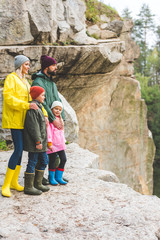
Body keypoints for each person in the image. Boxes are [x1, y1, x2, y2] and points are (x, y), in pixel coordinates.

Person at [1, 55, 38, 198]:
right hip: (15, 120)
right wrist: (26, 105)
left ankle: (14, 182)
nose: (28, 67)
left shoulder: (24, 80)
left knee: (21, 151)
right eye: (27, 64)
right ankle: (5, 185)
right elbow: (9, 98)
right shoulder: (11, 78)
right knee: (17, 150)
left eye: (29, 64)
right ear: (20, 65)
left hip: (24, 121)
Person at [31, 55, 66, 184]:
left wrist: (61, 118)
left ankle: (56, 175)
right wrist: (52, 119)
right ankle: (39, 177)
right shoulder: (38, 82)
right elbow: (42, 103)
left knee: (56, 149)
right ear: (47, 67)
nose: (56, 68)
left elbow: (58, 101)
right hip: (44, 120)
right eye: (53, 65)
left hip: (55, 121)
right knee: (44, 150)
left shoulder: (51, 82)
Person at [23, 86, 50, 195]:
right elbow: (33, 127)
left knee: (44, 161)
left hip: (41, 143)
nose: (44, 97)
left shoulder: (39, 107)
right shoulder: (33, 109)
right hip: (36, 143)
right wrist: (38, 142)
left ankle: (37, 183)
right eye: (42, 95)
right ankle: (28, 187)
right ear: (36, 96)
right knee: (32, 162)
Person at [47, 101, 67, 185]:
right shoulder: (51, 121)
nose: (58, 111)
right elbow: (49, 132)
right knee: (52, 160)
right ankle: (51, 178)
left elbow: (61, 133)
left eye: (59, 109)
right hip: (53, 145)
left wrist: (64, 142)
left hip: (60, 144)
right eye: (56, 109)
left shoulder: (60, 120)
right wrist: (49, 143)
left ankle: (58, 177)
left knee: (63, 159)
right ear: (51, 109)